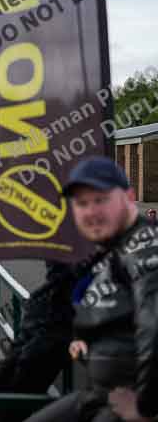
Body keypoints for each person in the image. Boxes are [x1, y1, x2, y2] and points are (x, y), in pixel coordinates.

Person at [24, 156, 158, 422]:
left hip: (125, 405)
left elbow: (155, 328)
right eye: (82, 203)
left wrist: (146, 407)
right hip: (98, 394)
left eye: (101, 200)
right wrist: (84, 343)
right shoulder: (113, 251)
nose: (90, 211)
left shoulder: (144, 250)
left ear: (130, 197)